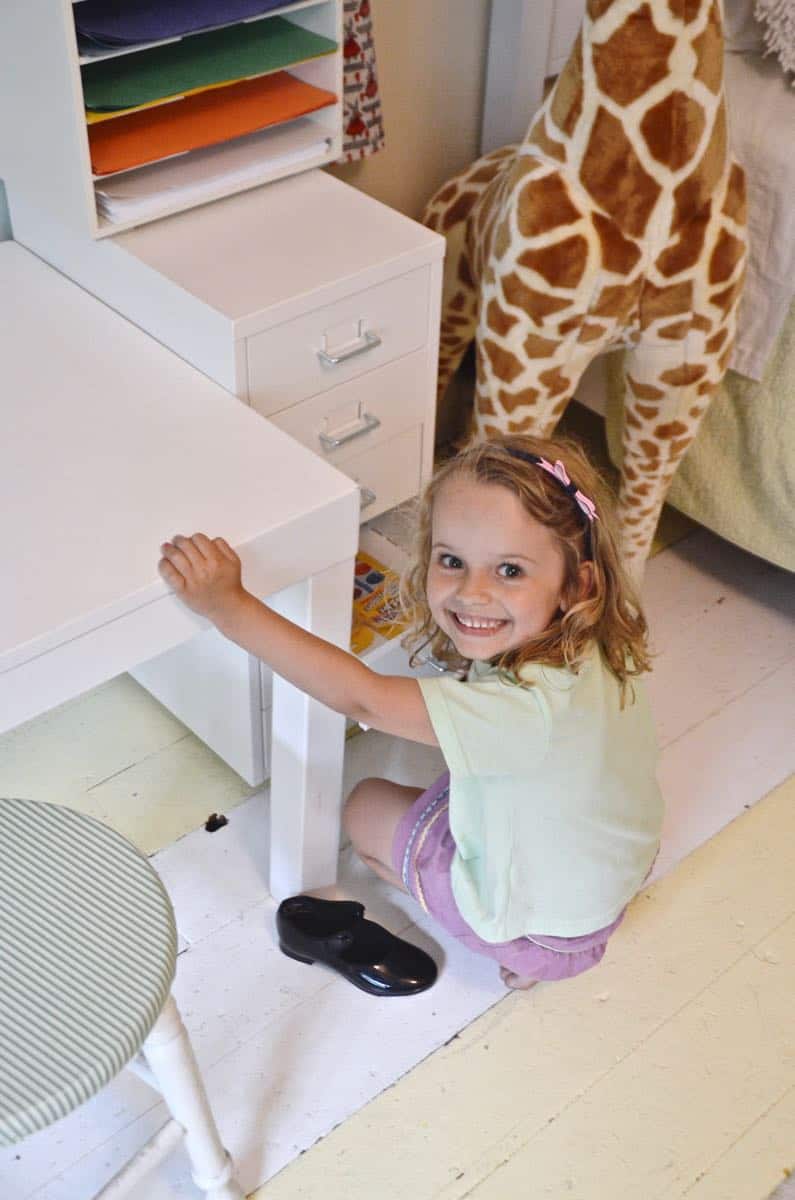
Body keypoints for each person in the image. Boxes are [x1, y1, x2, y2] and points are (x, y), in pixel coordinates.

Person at [158, 432, 663, 990]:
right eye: (452, 561)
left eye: (510, 571)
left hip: (547, 933)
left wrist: (228, 607)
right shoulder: (596, 642)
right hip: (613, 874)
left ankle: (522, 959)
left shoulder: (519, 713)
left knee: (365, 810)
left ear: (576, 583)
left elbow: (360, 696)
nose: (472, 592)